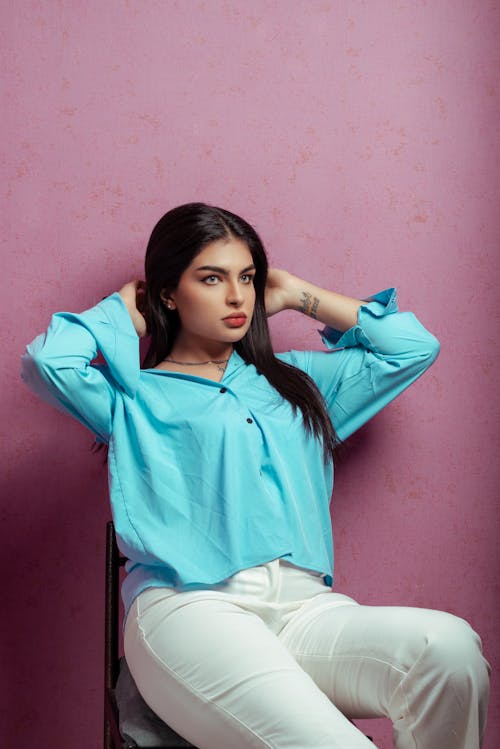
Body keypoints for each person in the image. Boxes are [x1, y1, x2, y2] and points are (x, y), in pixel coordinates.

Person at [22, 202, 489, 749]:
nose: (237, 295)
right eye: (212, 278)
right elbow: (47, 363)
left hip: (306, 610)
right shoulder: (131, 395)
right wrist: (125, 310)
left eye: (247, 277)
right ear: (169, 292)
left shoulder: (298, 381)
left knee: (450, 650)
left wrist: (293, 292)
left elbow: (411, 347)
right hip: (190, 611)